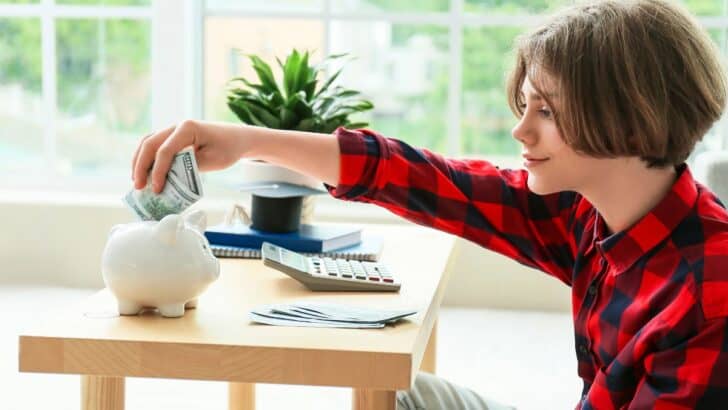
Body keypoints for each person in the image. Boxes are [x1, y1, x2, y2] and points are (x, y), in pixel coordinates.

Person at [131, 0, 728, 408]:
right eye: (524, 106)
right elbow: (426, 179)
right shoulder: (591, 212)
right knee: (402, 391)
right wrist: (246, 143)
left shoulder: (710, 292)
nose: (521, 132)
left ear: (628, 117)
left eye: (544, 111)